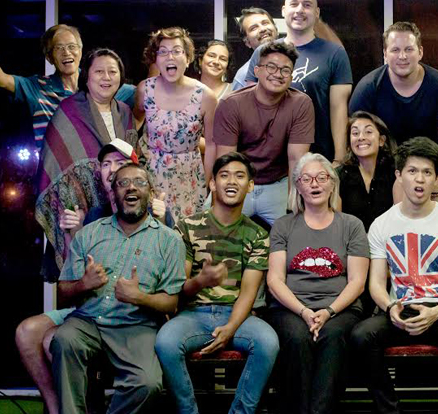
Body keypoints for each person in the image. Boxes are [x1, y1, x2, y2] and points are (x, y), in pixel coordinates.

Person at [15, 138, 167, 414]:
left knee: (55, 341)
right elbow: (73, 274)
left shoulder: (156, 213)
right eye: (106, 164)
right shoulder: (95, 213)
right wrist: (71, 233)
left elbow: (170, 280)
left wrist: (163, 218)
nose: (112, 169)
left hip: (131, 316)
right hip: (90, 306)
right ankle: (57, 408)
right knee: (30, 332)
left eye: (119, 163)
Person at [350, 137, 438, 414]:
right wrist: (390, 307)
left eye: (427, 172)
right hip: (401, 308)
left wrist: (437, 312)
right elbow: (376, 284)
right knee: (361, 335)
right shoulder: (381, 224)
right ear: (399, 175)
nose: (419, 179)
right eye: (412, 171)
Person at [50, 163, 186, 414]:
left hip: (137, 325)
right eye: (123, 183)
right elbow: (62, 292)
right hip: (88, 321)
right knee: (64, 339)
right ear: (113, 194)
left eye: (139, 182)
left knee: (147, 383)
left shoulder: (170, 241)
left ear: (150, 192)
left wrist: (140, 297)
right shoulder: (88, 234)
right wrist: (83, 284)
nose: (131, 187)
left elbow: (171, 303)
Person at [155, 153, 279, 414]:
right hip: (193, 314)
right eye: (224, 175)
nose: (231, 181)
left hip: (238, 315)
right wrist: (201, 281)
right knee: (165, 342)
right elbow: (179, 290)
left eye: (240, 176)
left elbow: (248, 292)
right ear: (212, 184)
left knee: (268, 343)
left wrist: (231, 328)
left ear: (250, 185)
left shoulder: (258, 235)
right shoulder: (187, 227)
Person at [266, 153, 370, 414]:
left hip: (340, 309)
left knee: (331, 335)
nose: (315, 184)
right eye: (307, 179)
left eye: (322, 177)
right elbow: (275, 280)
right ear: (298, 186)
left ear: (332, 183)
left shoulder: (352, 225)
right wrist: (303, 311)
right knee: (297, 338)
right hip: (291, 309)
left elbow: (357, 282)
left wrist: (328, 311)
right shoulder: (283, 225)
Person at [36, 48, 138, 282]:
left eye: (112, 72)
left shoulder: (124, 112)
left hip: (119, 207)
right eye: (99, 71)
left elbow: (133, 159)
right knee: (85, 278)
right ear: (87, 76)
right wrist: (73, 207)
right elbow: (55, 165)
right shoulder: (69, 110)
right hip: (81, 209)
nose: (106, 77)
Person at [0, 18, 135, 148]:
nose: (66, 52)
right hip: (55, 175)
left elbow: (140, 94)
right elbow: (2, 80)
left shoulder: (99, 84)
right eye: (59, 48)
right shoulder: (38, 87)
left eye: (71, 46)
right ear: (49, 57)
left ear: (80, 50)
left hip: (96, 174)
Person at [243, 0, 353, 164]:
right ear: (283, 11)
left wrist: (339, 158)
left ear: (317, 13)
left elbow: (338, 109)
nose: (300, 10)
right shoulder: (263, 53)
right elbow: (250, 109)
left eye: (307, 5)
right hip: (269, 161)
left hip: (318, 159)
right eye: (294, 4)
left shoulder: (335, 53)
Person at [214, 41, 315, 226]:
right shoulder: (231, 104)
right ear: (257, 71)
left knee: (301, 230)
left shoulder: (301, 104)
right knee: (211, 229)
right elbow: (226, 162)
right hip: (240, 180)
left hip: (278, 184)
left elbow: (296, 160)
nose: (278, 74)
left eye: (285, 70)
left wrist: (295, 208)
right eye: (271, 67)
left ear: (291, 76)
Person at [349, 21, 438, 180]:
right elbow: (356, 144)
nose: (402, 56)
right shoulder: (367, 89)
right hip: (381, 175)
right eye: (395, 50)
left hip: (428, 173)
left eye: (409, 49)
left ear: (420, 52)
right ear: (385, 54)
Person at [134, 26, 218, 222]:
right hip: (151, 174)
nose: (170, 57)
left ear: (188, 59)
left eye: (177, 51)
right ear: (155, 59)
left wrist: (205, 183)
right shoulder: (144, 90)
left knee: (186, 231)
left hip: (190, 177)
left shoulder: (206, 96)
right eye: (163, 52)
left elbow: (212, 144)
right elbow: (135, 121)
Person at [337, 110, 398, 231]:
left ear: (381, 140)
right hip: (352, 240)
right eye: (355, 133)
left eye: (368, 132)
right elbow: (336, 223)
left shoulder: (395, 173)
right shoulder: (339, 175)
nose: (361, 137)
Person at [231, 7, 279, 91]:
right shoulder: (243, 76)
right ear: (247, 42)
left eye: (265, 23)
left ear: (276, 30)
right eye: (254, 28)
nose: (262, 29)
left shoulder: (298, 58)